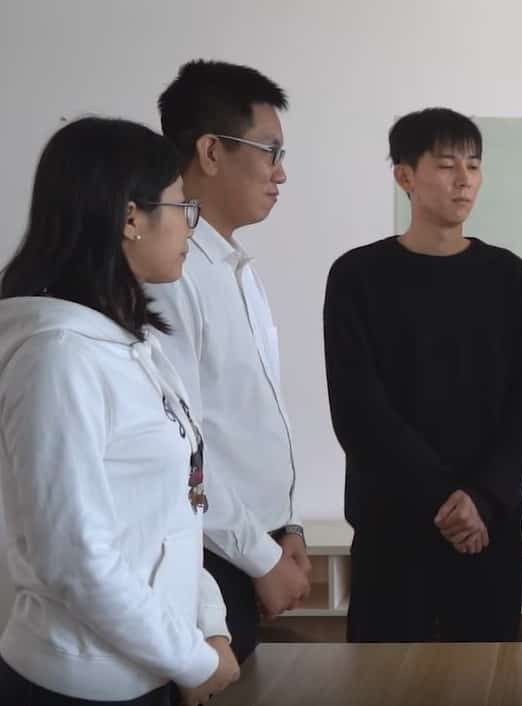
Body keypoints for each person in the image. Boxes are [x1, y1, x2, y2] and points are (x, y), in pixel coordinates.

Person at [0, 117, 239, 705]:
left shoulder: (132, 346)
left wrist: (206, 625)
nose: (189, 227)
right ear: (131, 218)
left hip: (153, 662)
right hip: (82, 681)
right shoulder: (60, 358)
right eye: (182, 207)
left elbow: (174, 512)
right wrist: (191, 658)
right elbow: (74, 558)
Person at [325, 108, 522, 642]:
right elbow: (358, 411)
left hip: (488, 527)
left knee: (489, 677)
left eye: (474, 165)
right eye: (447, 165)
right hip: (394, 527)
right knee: (385, 678)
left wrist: (482, 499)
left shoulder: (508, 277)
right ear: (405, 176)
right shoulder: (358, 276)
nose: (464, 179)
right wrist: (447, 502)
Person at [147, 60, 309, 663]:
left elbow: (251, 419)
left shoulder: (235, 267)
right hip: (211, 555)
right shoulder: (170, 276)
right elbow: (178, 448)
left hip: (250, 545)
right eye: (270, 152)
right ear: (211, 151)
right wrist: (260, 556)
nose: (281, 172)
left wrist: (287, 525)